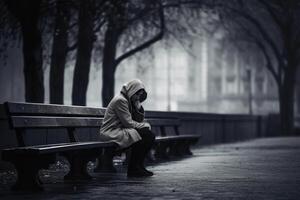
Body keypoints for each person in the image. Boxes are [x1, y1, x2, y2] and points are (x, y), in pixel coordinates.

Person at [99, 79, 155, 177]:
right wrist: (145, 126)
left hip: (120, 130)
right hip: (111, 132)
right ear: (132, 91)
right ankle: (134, 168)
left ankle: (138, 167)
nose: (138, 97)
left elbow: (137, 120)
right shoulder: (121, 100)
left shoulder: (128, 100)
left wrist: (138, 107)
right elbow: (128, 123)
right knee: (146, 135)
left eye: (140, 95)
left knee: (147, 135)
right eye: (137, 95)